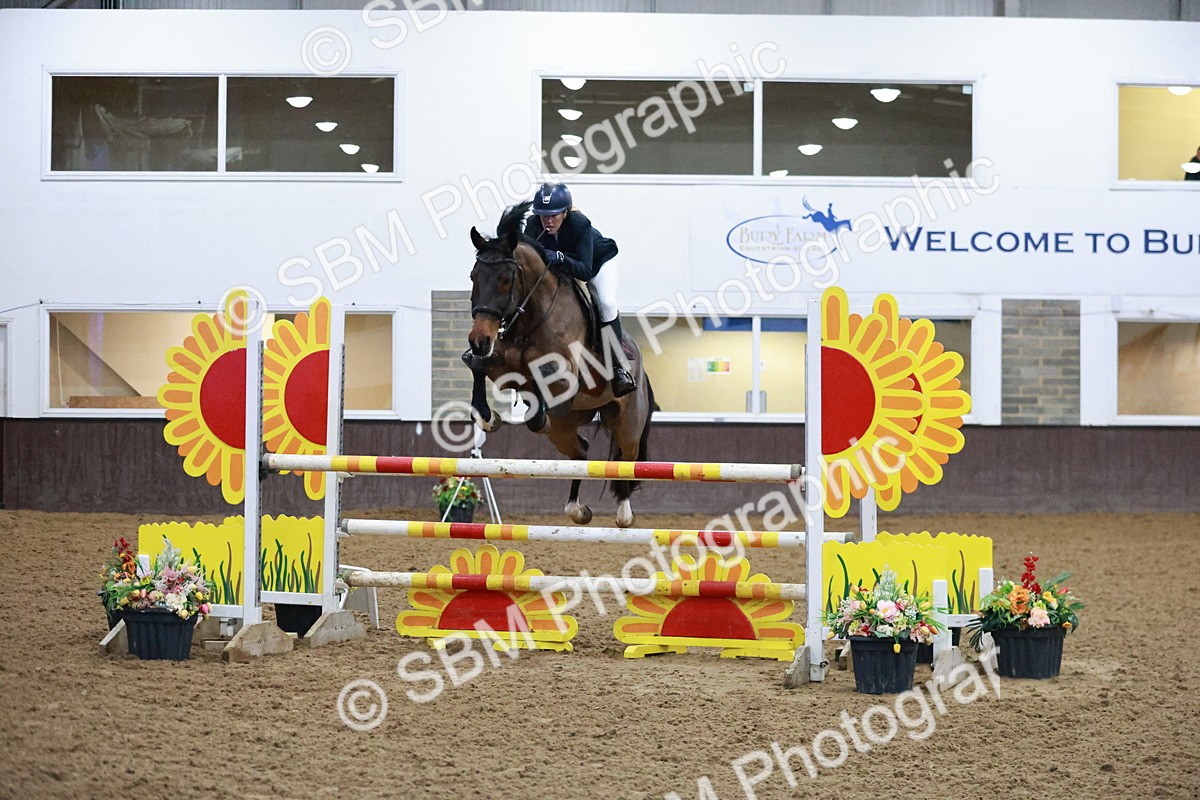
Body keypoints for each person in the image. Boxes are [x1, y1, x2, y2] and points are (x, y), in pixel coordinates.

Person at [524, 181, 638, 397]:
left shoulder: (580, 224)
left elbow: (585, 271)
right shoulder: (533, 225)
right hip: (564, 268)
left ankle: (618, 367)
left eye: (554, 215)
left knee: (606, 302)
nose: (548, 221)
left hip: (597, 264)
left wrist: (559, 257)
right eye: (543, 215)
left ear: (565, 212)